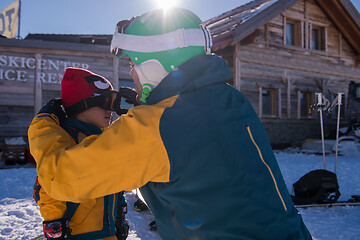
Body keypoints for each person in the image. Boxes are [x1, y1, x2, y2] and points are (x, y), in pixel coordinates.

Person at [28, 8, 312, 240]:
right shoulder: (231, 99)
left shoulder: (157, 126)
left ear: (153, 64)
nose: (131, 75)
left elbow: (62, 178)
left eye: (132, 65)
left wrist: (43, 124)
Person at [32, 67, 129, 240]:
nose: (111, 110)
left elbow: (116, 182)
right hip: (78, 233)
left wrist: (120, 214)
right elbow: (48, 188)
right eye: (105, 102)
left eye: (114, 103)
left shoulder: (104, 139)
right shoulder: (66, 140)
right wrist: (55, 224)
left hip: (109, 232)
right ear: (81, 105)